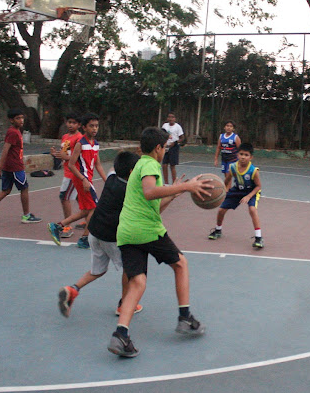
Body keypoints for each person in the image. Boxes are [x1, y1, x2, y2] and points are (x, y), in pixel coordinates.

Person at [108, 126, 213, 358]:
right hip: (146, 230)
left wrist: (174, 194)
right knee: (180, 263)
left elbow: (153, 202)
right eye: (164, 147)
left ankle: (120, 335)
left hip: (126, 231)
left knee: (137, 282)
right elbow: (149, 192)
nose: (165, 151)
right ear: (157, 148)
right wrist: (186, 186)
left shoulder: (139, 167)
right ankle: (185, 318)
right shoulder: (150, 164)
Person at [57, 151, 143, 318]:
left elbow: (113, 167)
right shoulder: (130, 190)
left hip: (94, 232)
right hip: (110, 237)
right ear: (132, 172)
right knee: (129, 269)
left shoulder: (111, 177)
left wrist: (126, 158)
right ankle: (124, 305)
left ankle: (72, 289)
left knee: (97, 270)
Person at [48, 113, 107, 249]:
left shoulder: (95, 144)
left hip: (87, 179)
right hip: (81, 179)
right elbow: (71, 164)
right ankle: (84, 238)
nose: (94, 129)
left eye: (96, 126)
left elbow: (97, 164)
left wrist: (106, 180)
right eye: (91, 126)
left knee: (86, 211)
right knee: (95, 209)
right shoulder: (81, 144)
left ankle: (57, 226)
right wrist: (83, 179)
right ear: (84, 128)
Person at [0, 109, 41, 226]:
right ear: (11, 120)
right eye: (18, 118)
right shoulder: (13, 132)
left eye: (22, 117)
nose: (21, 120)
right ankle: (26, 215)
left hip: (11, 166)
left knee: (6, 190)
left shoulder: (16, 131)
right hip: (14, 167)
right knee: (24, 188)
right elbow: (5, 150)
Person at [208, 142, 264, 249]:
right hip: (237, 190)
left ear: (251, 157)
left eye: (246, 155)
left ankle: (259, 238)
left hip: (252, 191)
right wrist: (222, 192)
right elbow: (228, 180)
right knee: (221, 210)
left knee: (252, 210)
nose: (243, 157)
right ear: (237, 155)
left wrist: (248, 196)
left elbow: (258, 186)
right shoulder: (233, 167)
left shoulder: (253, 171)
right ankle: (218, 230)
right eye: (241, 154)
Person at [50, 114, 83, 239]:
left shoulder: (80, 138)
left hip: (73, 172)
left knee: (64, 197)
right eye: (69, 122)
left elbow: (79, 157)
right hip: (67, 171)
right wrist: (56, 154)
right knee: (80, 197)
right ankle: (88, 220)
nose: (70, 125)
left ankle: (67, 226)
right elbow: (65, 153)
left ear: (79, 125)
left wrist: (66, 157)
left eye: (74, 123)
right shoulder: (65, 137)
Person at [213, 120, 241, 188]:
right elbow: (218, 147)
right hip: (224, 159)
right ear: (224, 127)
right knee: (226, 176)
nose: (229, 127)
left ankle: (227, 192)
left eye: (231, 126)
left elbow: (240, 149)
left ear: (233, 129)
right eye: (227, 126)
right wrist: (216, 158)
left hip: (232, 160)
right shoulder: (221, 136)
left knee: (228, 176)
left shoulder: (235, 137)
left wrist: (240, 161)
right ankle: (229, 189)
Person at [161, 112, 184, 184]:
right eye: (169, 117)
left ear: (175, 119)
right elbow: (161, 134)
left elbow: (182, 138)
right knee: (164, 165)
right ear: (167, 118)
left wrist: (175, 142)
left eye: (172, 117)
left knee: (172, 165)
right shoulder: (165, 125)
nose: (170, 119)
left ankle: (174, 183)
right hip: (165, 147)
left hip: (174, 147)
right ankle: (166, 183)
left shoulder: (177, 127)